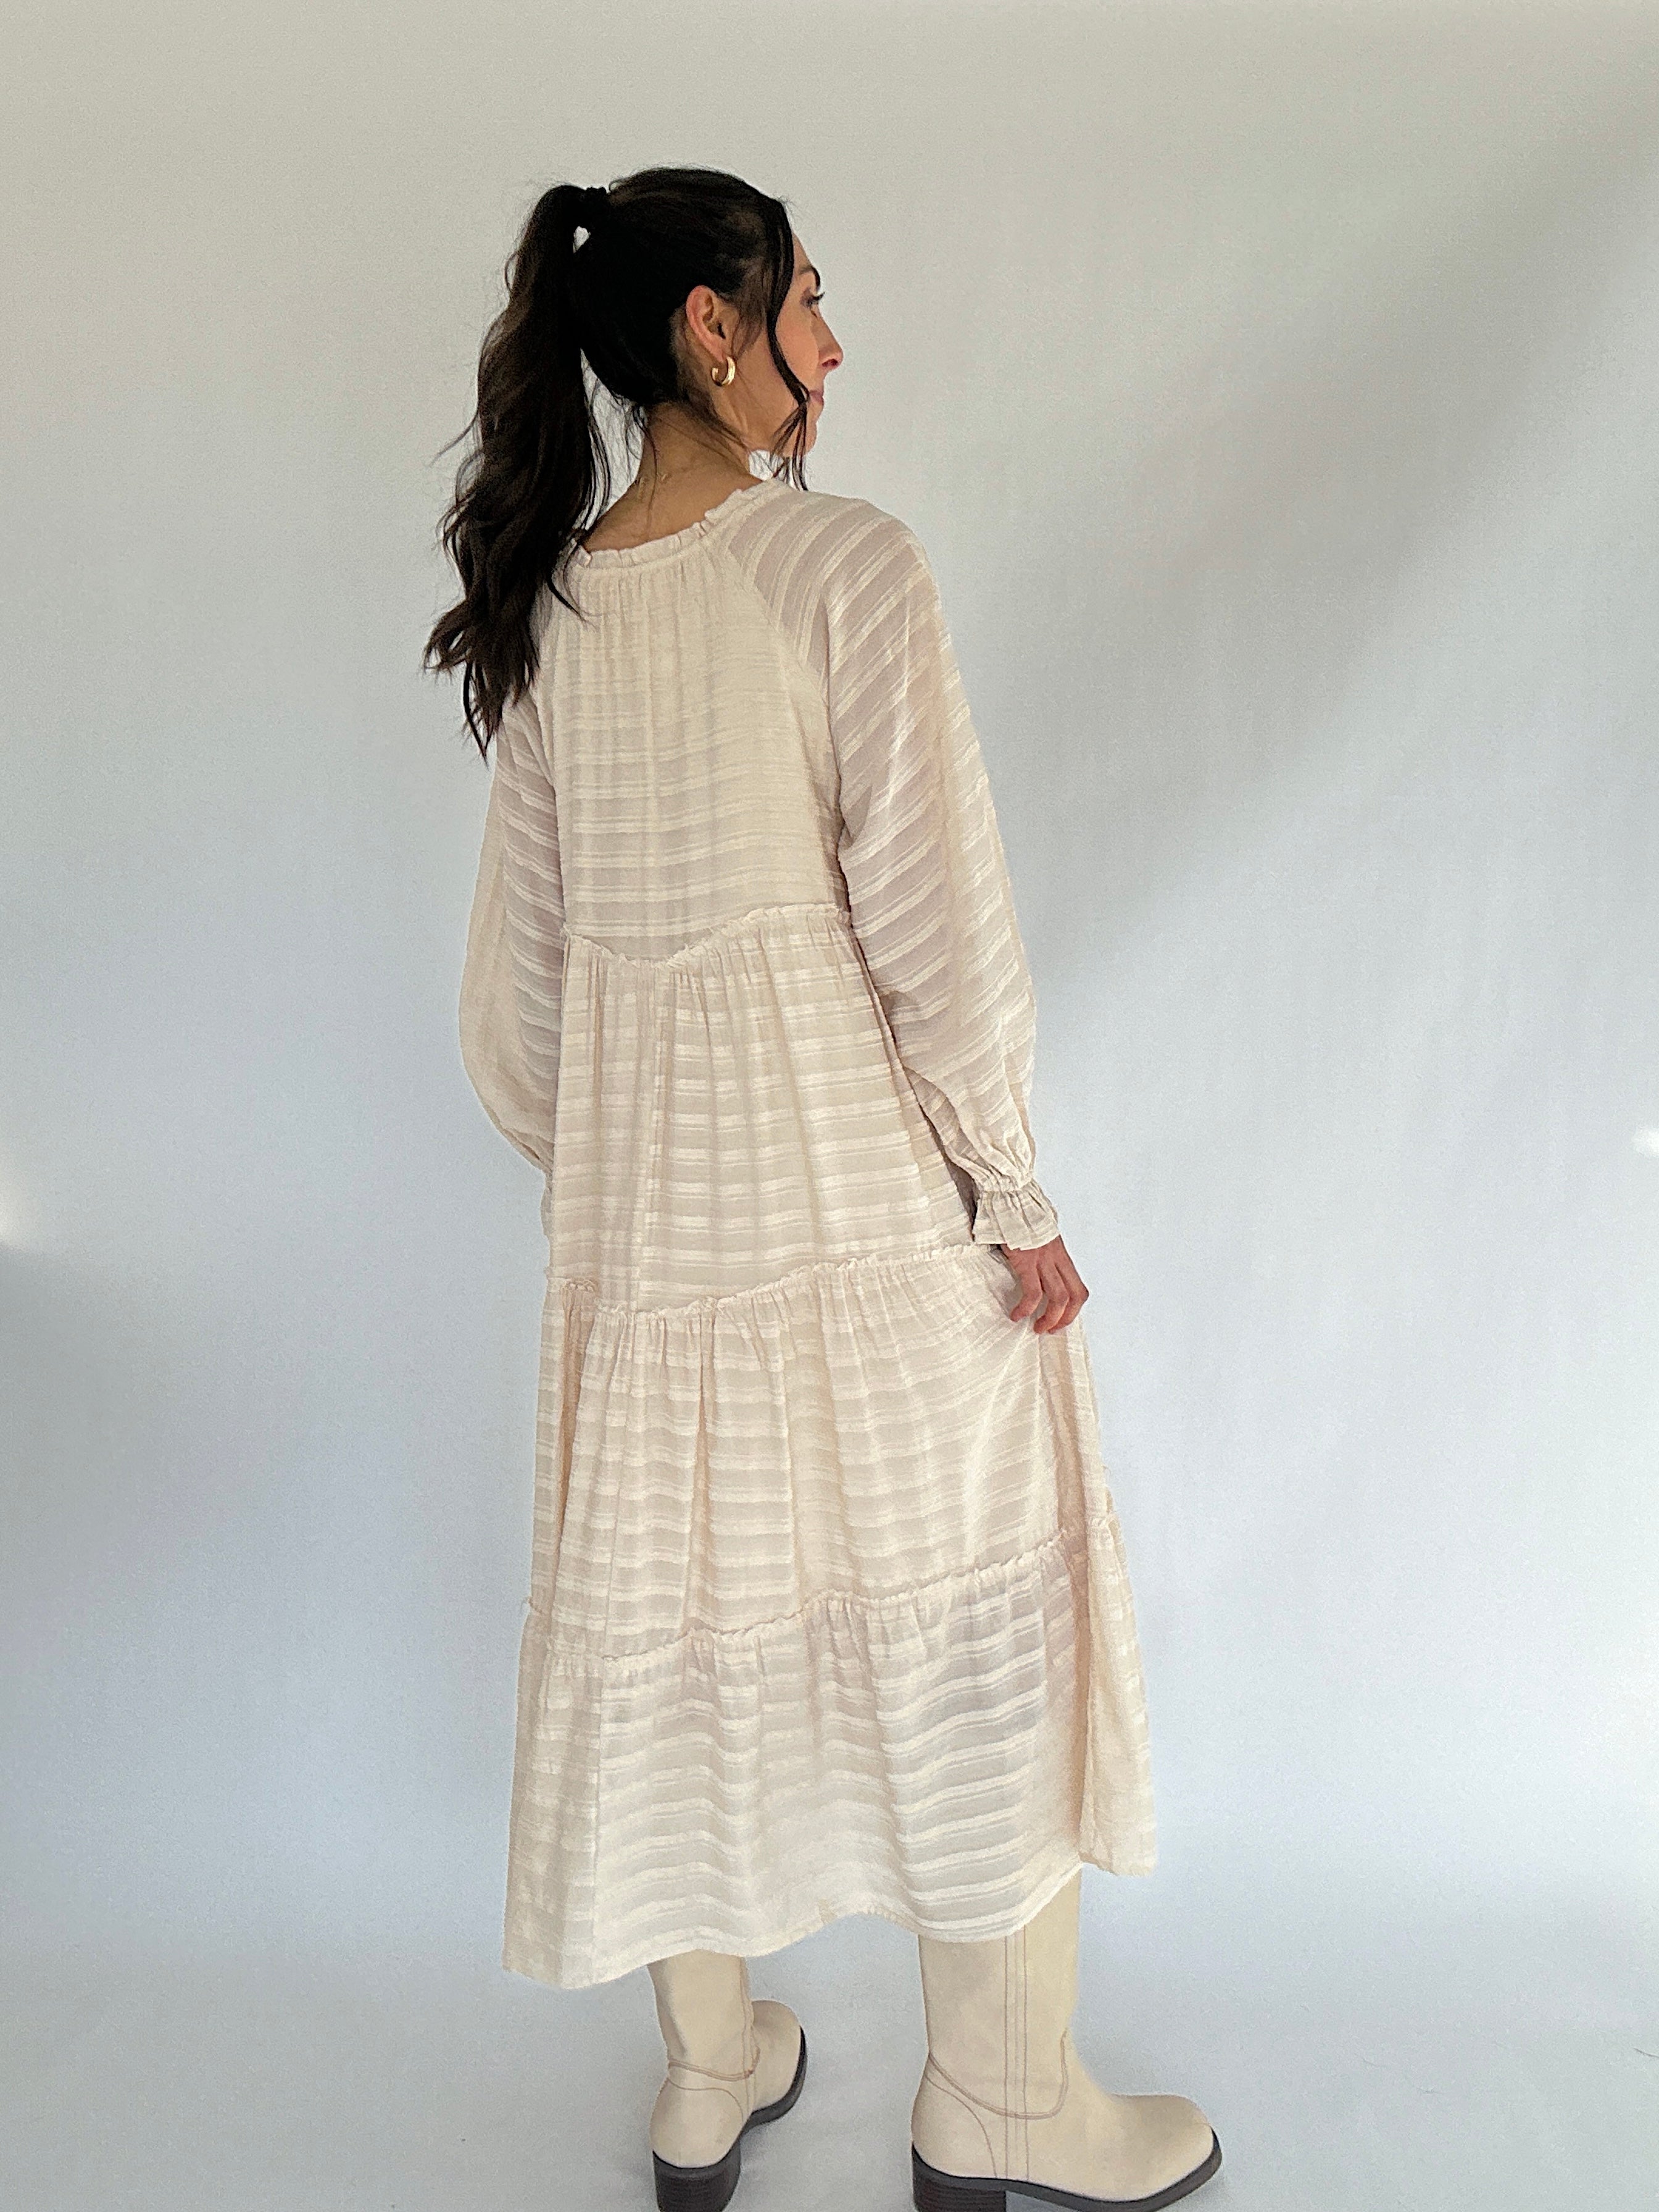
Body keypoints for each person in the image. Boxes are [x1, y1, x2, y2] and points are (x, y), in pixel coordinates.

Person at [424, 164, 1221, 2212]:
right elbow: (944, 938)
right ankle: (1006, 2104)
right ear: (717, 325)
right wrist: (1013, 1194)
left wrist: (634, 1192)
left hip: (646, 1269)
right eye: (808, 307)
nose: (832, 349)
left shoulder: (551, 618)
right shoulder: (841, 569)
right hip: (876, 1242)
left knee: (682, 1625)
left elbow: (513, 1028)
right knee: (975, 1618)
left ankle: (711, 2078)